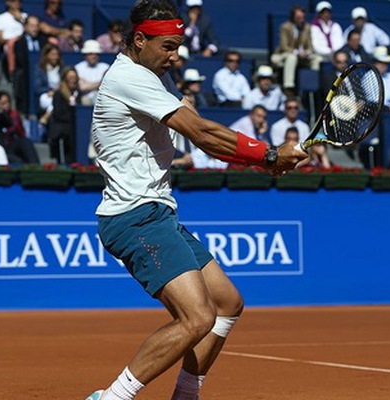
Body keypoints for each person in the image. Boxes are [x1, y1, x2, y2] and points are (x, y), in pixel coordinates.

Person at [86, 2, 305, 400]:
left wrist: (263, 161)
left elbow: (202, 132)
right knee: (197, 317)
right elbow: (202, 133)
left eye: (179, 46)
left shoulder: (153, 77)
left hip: (157, 213)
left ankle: (186, 395)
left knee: (226, 302)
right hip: (135, 217)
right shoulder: (129, 78)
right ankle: (112, 398)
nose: (175, 56)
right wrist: (269, 155)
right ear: (139, 39)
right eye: (168, 46)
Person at [270, 5, 323, 96]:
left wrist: (307, 52)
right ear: (293, 17)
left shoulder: (307, 27)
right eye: (298, 17)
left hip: (302, 57)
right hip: (283, 55)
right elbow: (284, 46)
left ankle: (312, 84)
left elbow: (310, 46)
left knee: (318, 59)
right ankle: (288, 87)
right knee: (292, 57)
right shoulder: (285, 27)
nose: (301, 19)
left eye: (303, 17)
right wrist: (297, 53)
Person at [13, 15, 47, 115]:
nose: (35, 28)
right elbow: (21, 61)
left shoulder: (43, 41)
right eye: (32, 26)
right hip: (26, 78)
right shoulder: (19, 43)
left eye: (36, 26)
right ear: (25, 27)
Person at [0, 91, 40, 164]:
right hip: (0, 147)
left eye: (7, 103)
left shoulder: (14, 115)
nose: (5, 106)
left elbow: (17, 130)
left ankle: (36, 167)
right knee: (17, 161)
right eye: (2, 103)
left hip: (11, 143)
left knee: (26, 142)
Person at [48, 67, 79, 164]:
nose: (72, 80)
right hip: (63, 131)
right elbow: (58, 114)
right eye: (69, 77)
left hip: (77, 130)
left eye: (74, 77)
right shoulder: (58, 94)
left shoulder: (79, 94)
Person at [75, 40, 110, 105]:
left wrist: (88, 84)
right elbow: (82, 87)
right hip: (84, 99)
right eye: (90, 54)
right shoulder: (78, 67)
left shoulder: (105, 67)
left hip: (102, 99)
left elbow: (107, 87)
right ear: (85, 55)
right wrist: (100, 84)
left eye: (95, 54)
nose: (93, 56)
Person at [34, 43, 65, 117]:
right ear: (46, 55)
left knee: (56, 102)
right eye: (52, 54)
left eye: (56, 55)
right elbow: (37, 88)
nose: (55, 57)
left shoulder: (62, 69)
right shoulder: (40, 69)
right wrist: (49, 91)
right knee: (51, 101)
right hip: (45, 95)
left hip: (59, 95)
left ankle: (45, 118)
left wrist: (55, 92)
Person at [372, 46, 390, 114]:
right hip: (378, 110)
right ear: (375, 63)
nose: (384, 65)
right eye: (381, 62)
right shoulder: (369, 77)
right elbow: (373, 99)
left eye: (385, 63)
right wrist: (389, 105)